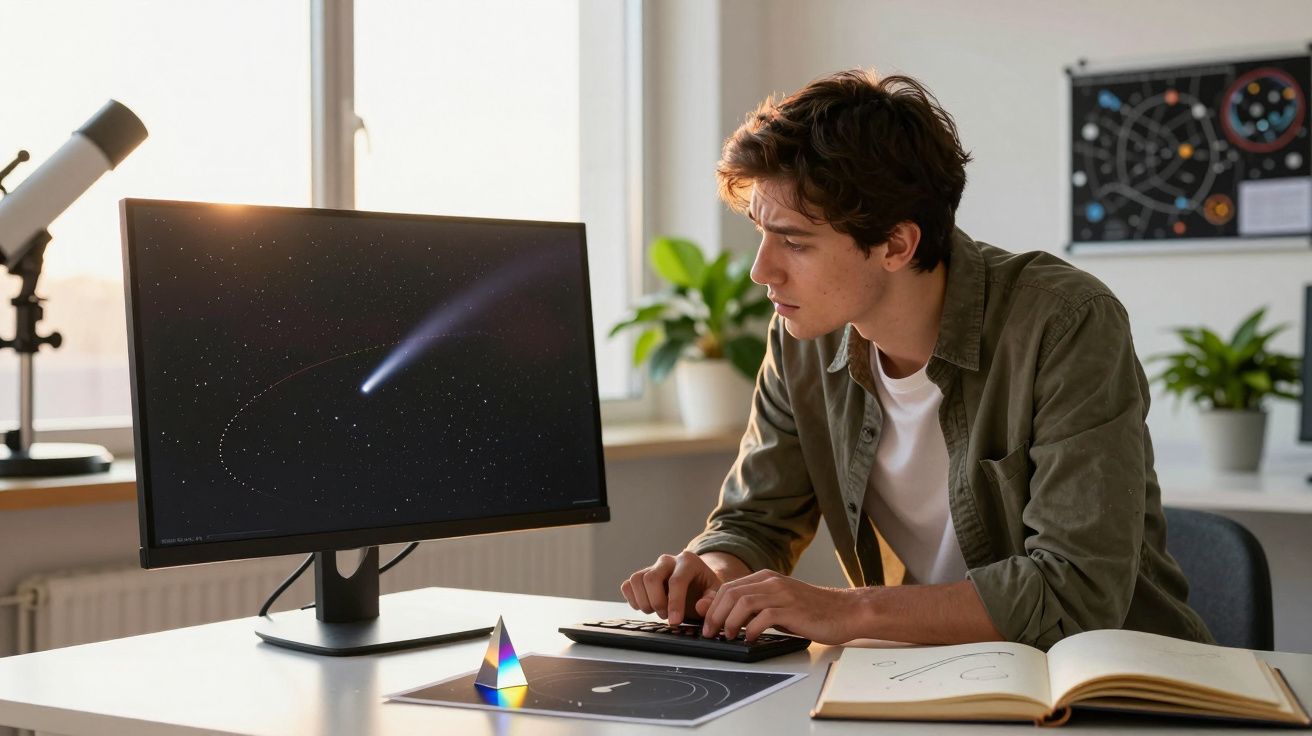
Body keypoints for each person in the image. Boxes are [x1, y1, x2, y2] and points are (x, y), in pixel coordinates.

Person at [620, 69, 1210, 651]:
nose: (761, 271)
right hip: (930, 675)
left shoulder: (1064, 322)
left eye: (795, 242)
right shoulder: (801, 336)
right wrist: (712, 571)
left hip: (1109, 680)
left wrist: (844, 609)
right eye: (761, 233)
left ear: (897, 244)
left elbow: (1073, 589)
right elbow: (755, 522)